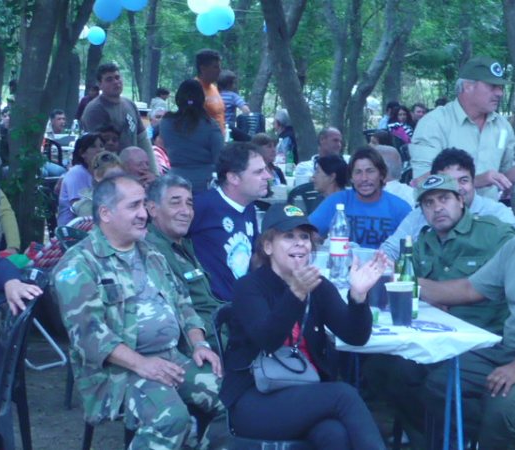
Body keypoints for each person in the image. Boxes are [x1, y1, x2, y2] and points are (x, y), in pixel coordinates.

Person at [52, 174, 230, 450]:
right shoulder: (78, 265)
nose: (143, 214)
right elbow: (88, 336)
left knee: (235, 401)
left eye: (143, 205)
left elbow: (183, 304)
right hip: (117, 372)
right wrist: (142, 364)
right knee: (171, 418)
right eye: (133, 206)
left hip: (172, 358)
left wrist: (199, 343)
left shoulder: (151, 253)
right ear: (106, 213)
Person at [418, 168, 515, 449]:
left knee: (503, 407)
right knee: (439, 383)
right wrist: (407, 284)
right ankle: (494, 438)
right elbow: (470, 289)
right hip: (506, 348)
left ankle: (504, 435)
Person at [364, 173, 515, 449]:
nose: (437, 208)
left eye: (444, 199)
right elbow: (406, 287)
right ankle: (432, 438)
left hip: (483, 338)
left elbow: (509, 282)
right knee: (380, 368)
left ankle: (468, 438)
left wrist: (432, 289)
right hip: (435, 335)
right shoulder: (422, 243)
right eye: (428, 203)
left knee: (436, 382)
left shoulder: (494, 233)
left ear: (461, 200)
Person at [220, 202, 387, 450]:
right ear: (268, 246)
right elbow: (268, 339)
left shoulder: (318, 286)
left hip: (305, 391)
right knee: (344, 395)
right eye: (289, 236)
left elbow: (355, 336)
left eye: (304, 237)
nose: (299, 243)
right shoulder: (249, 287)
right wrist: (296, 293)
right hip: (254, 397)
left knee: (334, 434)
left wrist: (358, 296)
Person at [410, 56, 515, 200]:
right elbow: (422, 180)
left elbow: (506, 170)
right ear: (468, 86)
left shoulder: (502, 125)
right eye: (492, 86)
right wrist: (476, 181)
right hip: (443, 212)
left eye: (500, 87)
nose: (499, 93)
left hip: (488, 211)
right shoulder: (434, 122)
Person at [381, 148, 515, 261]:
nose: (457, 188)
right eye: (448, 182)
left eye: (463, 181)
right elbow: (390, 251)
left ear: (473, 182)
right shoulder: (421, 215)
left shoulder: (496, 214)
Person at [188, 142, 272, 301]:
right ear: (233, 177)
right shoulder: (202, 206)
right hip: (214, 307)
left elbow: (255, 256)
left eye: (265, 169)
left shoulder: (248, 206)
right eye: (259, 172)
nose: (268, 176)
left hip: (244, 302)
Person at [145, 174, 224, 343]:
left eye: (189, 204)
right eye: (175, 203)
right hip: (203, 342)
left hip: (220, 331)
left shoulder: (183, 244)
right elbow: (178, 313)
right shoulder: (153, 250)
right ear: (152, 209)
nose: (186, 211)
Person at [310, 146, 411, 249]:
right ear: (351, 178)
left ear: (381, 175)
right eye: (358, 172)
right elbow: (308, 233)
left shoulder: (400, 208)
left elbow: (411, 246)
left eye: (370, 171)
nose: (364, 178)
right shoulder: (337, 201)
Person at [81, 63, 156, 173]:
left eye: (117, 77)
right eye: (109, 79)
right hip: (110, 172)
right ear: (100, 84)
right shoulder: (95, 110)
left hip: (134, 169)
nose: (116, 82)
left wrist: (154, 172)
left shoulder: (130, 104)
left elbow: (143, 139)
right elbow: (97, 149)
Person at [160, 79, 223, 193]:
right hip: (205, 184)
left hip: (175, 182)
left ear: (178, 98)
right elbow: (219, 158)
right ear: (202, 99)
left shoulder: (166, 122)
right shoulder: (211, 125)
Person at [57, 132, 104, 226]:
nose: (99, 150)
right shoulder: (76, 173)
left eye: (101, 146)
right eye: (93, 147)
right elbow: (82, 209)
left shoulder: (101, 173)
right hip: (73, 228)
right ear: (82, 153)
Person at [71, 151, 124, 218]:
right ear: (97, 177)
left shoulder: (126, 199)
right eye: (112, 176)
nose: (117, 181)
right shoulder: (87, 206)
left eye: (120, 176)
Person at [195, 49, 225, 136]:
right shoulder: (194, 89)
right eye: (215, 67)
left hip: (219, 138)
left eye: (220, 67)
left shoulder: (214, 88)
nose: (219, 70)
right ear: (203, 68)